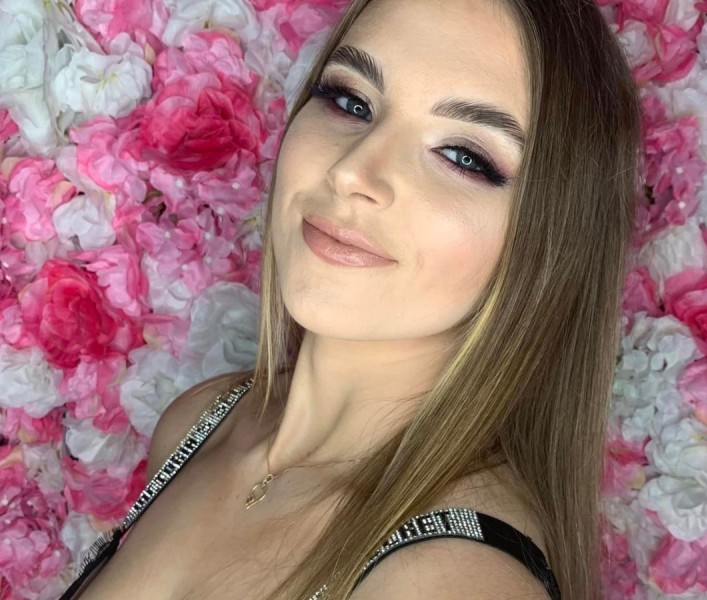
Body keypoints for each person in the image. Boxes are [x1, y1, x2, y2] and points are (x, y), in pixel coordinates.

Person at [62, 0, 642, 598]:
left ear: (552, 242)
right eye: (350, 101)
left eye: (464, 157)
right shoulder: (201, 423)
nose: (352, 172)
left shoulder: (451, 582)